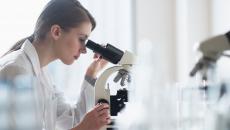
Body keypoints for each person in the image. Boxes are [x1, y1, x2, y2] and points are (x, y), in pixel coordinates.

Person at [0, 0, 111, 130]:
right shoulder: (16, 70)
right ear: (56, 32)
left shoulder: (43, 74)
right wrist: (84, 127)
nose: (85, 50)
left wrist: (91, 73)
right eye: (81, 39)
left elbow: (72, 120)